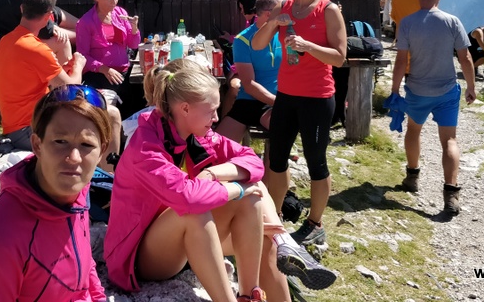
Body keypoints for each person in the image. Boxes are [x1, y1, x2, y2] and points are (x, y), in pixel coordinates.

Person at [105, 61, 335, 302]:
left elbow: (252, 161)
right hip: (139, 257)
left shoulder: (196, 134)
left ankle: (250, 294)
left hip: (183, 242)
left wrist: (215, 174)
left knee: (258, 220)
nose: (216, 118)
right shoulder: (146, 145)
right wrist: (237, 188)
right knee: (199, 211)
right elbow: (188, 198)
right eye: (211, 111)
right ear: (185, 109)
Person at [0, 85, 112, 301]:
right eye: (60, 141)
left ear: (101, 152)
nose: (74, 158)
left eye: (86, 145)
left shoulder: (77, 191)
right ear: (37, 145)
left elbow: (85, 262)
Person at [251, 0, 346, 248]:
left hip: (317, 97)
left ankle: (315, 224)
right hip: (287, 96)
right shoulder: (286, 7)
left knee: (316, 161)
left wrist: (308, 46)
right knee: (277, 160)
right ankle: (275, 219)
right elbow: (257, 44)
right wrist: (272, 23)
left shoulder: (328, 10)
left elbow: (340, 57)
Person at [0, 0, 122, 170]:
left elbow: (46, 80)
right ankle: (109, 179)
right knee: (112, 114)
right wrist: (78, 65)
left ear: (22, 9)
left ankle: (99, 172)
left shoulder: (6, 41)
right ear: (49, 16)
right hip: (29, 128)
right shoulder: (36, 49)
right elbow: (72, 88)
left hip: (17, 125)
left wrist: (66, 65)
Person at [390, 0, 477, 214]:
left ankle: (412, 177)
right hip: (447, 90)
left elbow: (401, 61)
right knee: (449, 140)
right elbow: (465, 57)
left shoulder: (407, 23)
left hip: (417, 89)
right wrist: (471, 86)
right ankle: (451, 194)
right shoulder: (452, 21)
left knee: (413, 130)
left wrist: (395, 89)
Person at [216, 0, 283, 143]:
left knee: (281, 133)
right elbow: (249, 85)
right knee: (215, 149)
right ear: (269, 14)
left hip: (277, 102)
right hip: (250, 101)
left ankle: (273, 157)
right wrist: (280, 102)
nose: (287, 14)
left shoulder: (285, 34)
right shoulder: (243, 39)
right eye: (283, 10)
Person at [75, 0, 141, 99]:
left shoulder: (120, 13)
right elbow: (82, 56)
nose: (114, 2)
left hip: (122, 71)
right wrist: (104, 69)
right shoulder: (85, 22)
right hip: (99, 75)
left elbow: (134, 45)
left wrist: (134, 28)